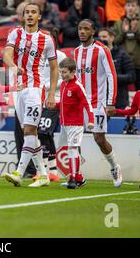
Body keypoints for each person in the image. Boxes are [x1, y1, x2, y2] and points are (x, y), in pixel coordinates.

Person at [3, 2, 59, 188]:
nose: (29, 15)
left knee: (28, 131)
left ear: (39, 16)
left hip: (35, 89)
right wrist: (13, 66)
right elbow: (6, 54)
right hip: (19, 90)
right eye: (27, 12)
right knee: (30, 134)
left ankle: (19, 172)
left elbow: (54, 68)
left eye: (33, 12)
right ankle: (43, 174)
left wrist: (51, 93)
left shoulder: (46, 39)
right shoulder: (15, 33)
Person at [74, 19, 122, 187]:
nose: (82, 32)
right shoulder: (76, 51)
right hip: (80, 104)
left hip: (98, 103)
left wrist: (110, 102)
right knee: (74, 140)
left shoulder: (102, 50)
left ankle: (115, 167)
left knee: (99, 139)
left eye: (86, 29)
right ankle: (77, 175)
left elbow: (112, 76)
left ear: (93, 31)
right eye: (80, 28)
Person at [55, 57, 94, 189]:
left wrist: (91, 120)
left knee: (72, 149)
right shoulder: (64, 85)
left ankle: (72, 178)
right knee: (68, 149)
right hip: (65, 124)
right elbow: (63, 104)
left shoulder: (77, 86)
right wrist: (53, 105)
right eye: (61, 72)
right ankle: (79, 178)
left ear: (73, 72)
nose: (62, 74)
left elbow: (87, 104)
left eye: (65, 72)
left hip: (76, 124)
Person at [34, 48, 66, 183]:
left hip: (55, 99)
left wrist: (47, 86)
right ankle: (52, 171)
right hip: (39, 98)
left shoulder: (60, 55)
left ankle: (44, 170)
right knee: (47, 134)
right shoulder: (37, 55)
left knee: (42, 132)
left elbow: (65, 77)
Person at [113, 0, 140, 90]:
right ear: (125, 7)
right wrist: (123, 32)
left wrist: (136, 32)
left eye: (133, 5)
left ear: (137, 7)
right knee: (122, 89)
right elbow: (114, 42)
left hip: (138, 61)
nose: (130, 8)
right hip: (123, 61)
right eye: (128, 5)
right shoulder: (118, 23)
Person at [98, 27, 135, 109]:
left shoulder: (123, 55)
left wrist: (112, 77)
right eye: (99, 37)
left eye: (104, 37)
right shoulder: (95, 55)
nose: (101, 39)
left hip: (119, 101)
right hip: (99, 101)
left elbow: (132, 77)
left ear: (112, 38)